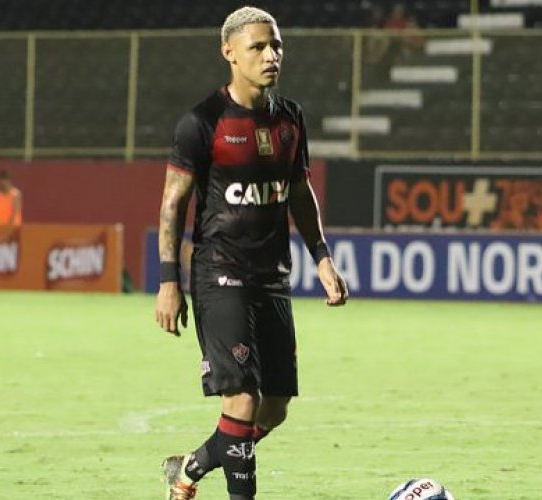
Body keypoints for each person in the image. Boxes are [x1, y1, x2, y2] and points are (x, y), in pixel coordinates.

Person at [153, 6, 348, 500]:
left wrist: (322, 258)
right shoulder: (202, 122)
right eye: (258, 46)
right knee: (242, 399)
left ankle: (190, 468)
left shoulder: (290, 119)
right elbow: (172, 204)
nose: (271, 55)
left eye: (276, 45)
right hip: (220, 273)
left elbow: (299, 194)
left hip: (272, 276)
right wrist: (168, 281)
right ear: (229, 52)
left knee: (275, 405)